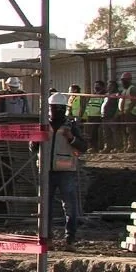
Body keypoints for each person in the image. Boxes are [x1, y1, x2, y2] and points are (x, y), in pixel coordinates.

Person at [45, 93, 86, 247]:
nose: (55, 111)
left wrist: (71, 138)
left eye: (58, 108)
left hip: (66, 172)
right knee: (45, 207)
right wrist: (35, 140)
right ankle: (46, 238)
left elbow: (83, 146)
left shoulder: (71, 126)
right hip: (46, 172)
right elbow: (33, 147)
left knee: (69, 207)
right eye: (53, 108)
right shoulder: (44, 125)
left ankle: (70, 239)